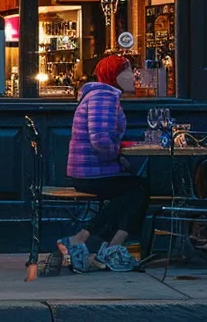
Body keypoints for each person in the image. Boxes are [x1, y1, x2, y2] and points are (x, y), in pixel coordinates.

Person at [56, 55, 145, 273]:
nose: (134, 75)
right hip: (92, 173)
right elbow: (101, 140)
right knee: (139, 190)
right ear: (114, 75)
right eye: (128, 70)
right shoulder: (104, 96)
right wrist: (118, 154)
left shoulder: (100, 95)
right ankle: (104, 247)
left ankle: (99, 244)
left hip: (90, 171)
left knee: (133, 192)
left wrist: (119, 153)